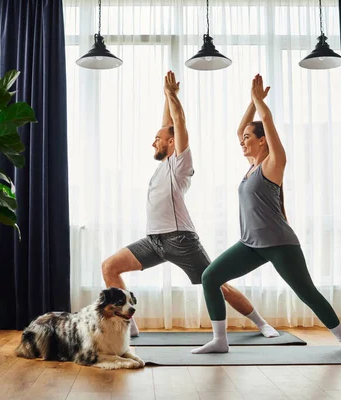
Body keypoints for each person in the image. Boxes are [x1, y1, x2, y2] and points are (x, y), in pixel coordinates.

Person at [191, 74, 341, 354]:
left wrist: (261, 103)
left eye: (249, 138)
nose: (242, 141)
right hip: (250, 244)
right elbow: (240, 129)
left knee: (307, 292)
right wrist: (252, 101)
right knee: (210, 277)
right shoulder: (251, 166)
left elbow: (268, 126)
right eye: (243, 138)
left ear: (263, 142)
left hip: (280, 243)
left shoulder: (273, 164)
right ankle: (220, 340)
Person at [102, 71, 278, 339]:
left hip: (180, 240)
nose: (154, 142)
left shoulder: (180, 163)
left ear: (172, 143)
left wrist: (173, 97)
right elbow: (169, 123)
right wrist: (166, 95)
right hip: (154, 240)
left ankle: (261, 322)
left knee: (218, 285)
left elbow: (178, 122)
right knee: (110, 267)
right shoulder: (164, 164)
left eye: (158, 139)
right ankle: (129, 328)